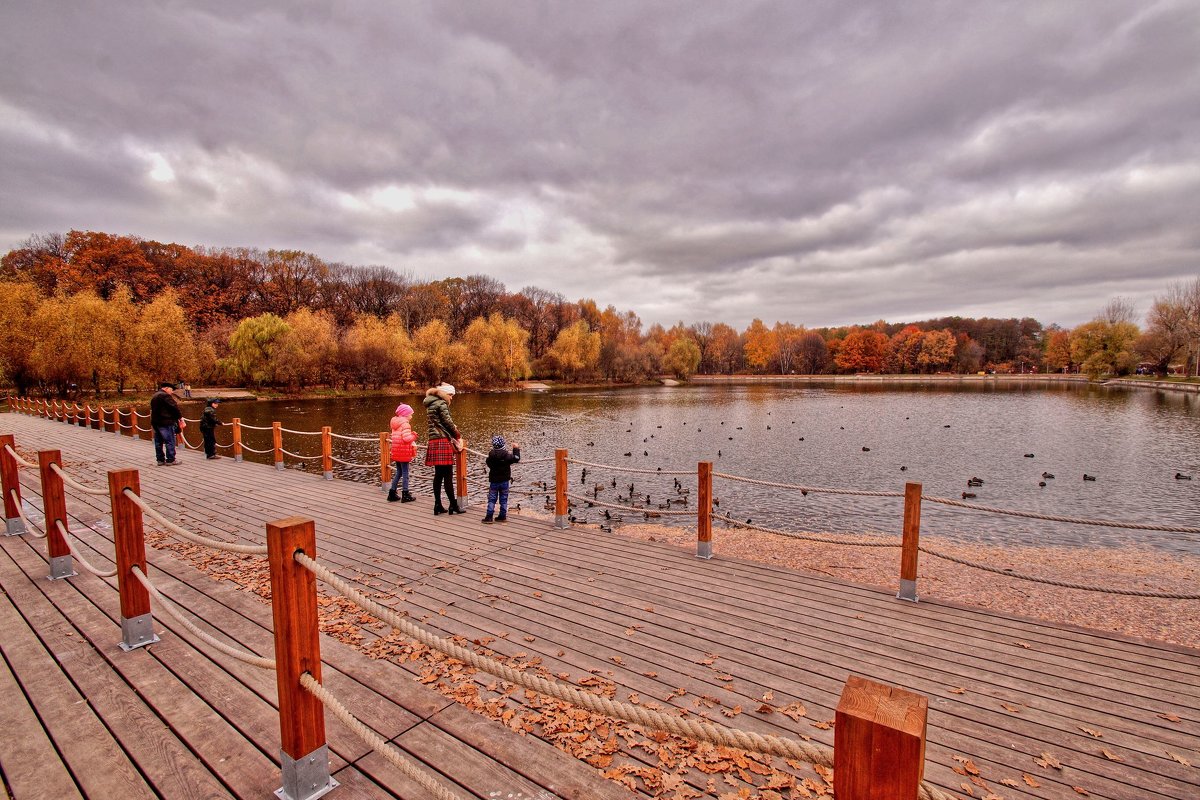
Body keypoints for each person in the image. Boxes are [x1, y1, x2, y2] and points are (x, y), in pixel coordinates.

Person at [423, 383, 464, 515]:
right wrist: (457, 435)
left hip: (434, 440)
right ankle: (453, 505)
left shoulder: (430, 404)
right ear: (445, 394)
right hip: (442, 440)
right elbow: (448, 422)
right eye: (451, 395)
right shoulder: (442, 404)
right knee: (447, 475)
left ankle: (438, 505)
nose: (452, 398)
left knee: (438, 475)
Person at [482, 435, 520, 524]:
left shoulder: (490, 456)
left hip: (494, 481)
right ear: (503, 444)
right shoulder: (507, 456)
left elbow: (488, 463)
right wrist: (516, 448)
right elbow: (517, 458)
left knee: (491, 499)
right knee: (503, 499)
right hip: (504, 481)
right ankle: (502, 516)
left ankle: (489, 517)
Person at [386, 403, 417, 503]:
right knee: (405, 473)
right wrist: (414, 436)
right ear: (405, 415)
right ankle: (405, 493)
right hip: (404, 452)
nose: (411, 416)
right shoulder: (405, 424)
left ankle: (392, 492)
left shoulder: (395, 424)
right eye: (410, 414)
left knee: (398, 472)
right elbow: (406, 438)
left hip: (396, 451)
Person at [149, 381, 185, 465]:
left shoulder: (155, 395)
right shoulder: (165, 396)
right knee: (170, 441)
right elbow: (174, 407)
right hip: (166, 421)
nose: (172, 392)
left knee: (158, 442)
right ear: (167, 388)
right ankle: (171, 459)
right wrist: (180, 417)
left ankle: (160, 460)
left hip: (156, 422)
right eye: (171, 390)